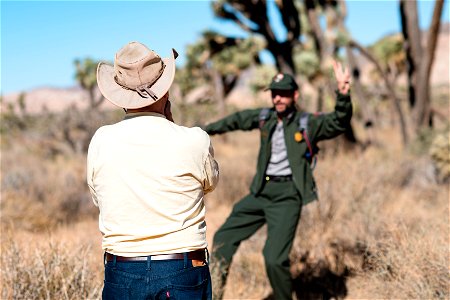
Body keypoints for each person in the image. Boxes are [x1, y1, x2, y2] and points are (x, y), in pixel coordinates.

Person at [205, 61, 352, 300]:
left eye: (284, 94)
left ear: (294, 95)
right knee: (223, 239)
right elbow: (237, 120)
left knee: (274, 259)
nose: (278, 99)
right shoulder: (266, 118)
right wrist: (204, 130)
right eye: (275, 94)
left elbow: (338, 122)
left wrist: (343, 94)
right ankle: (215, 295)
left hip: (287, 195)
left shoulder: (307, 123)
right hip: (260, 191)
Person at [87, 41, 219, 300]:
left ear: (120, 97)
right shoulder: (194, 139)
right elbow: (210, 182)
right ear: (165, 91)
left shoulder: (101, 140)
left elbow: (98, 198)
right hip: (182, 267)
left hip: (122, 269)